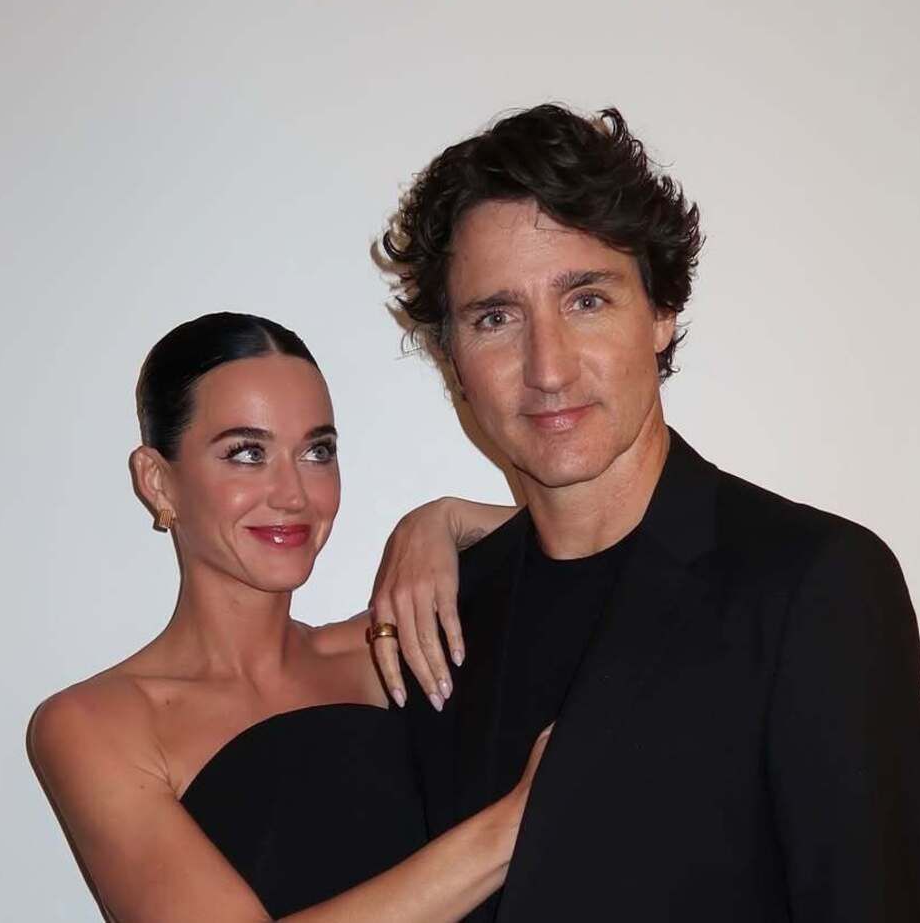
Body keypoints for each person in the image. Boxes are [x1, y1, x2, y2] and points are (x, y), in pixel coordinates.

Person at [371, 105, 920, 921]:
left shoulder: (812, 584)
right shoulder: (446, 616)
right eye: (495, 318)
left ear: (661, 312)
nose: (546, 368)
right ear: (451, 358)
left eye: (585, 300)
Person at [27, 312, 549, 923]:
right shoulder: (92, 725)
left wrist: (444, 520)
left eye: (316, 451)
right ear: (158, 481)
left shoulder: (392, 643)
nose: (293, 493)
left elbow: (613, 548)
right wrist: (513, 828)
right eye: (247, 453)